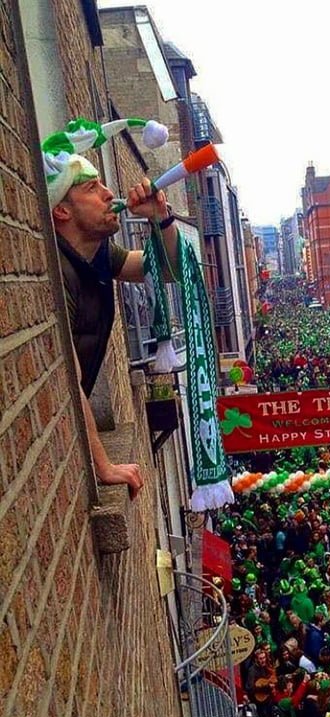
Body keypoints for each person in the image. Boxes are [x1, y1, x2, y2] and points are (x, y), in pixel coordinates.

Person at [47, 126, 178, 499]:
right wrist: (103, 466)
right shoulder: (55, 272)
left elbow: (164, 270)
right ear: (61, 209)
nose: (109, 194)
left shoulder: (100, 253)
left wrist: (161, 218)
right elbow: (68, 377)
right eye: (91, 189)